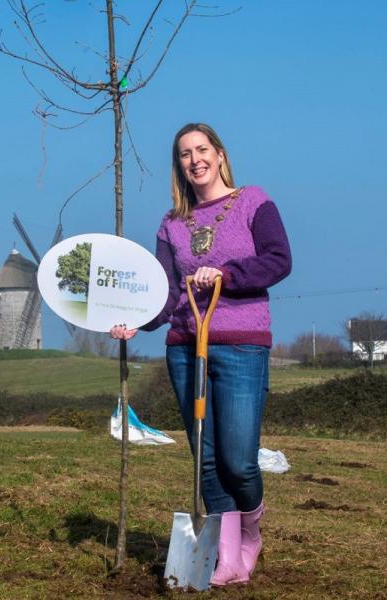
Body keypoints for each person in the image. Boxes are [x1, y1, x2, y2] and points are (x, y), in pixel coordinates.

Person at [110, 122, 291, 586]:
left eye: (202, 149)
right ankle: (227, 556)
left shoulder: (253, 200)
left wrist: (226, 275)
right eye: (185, 154)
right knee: (205, 461)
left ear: (219, 154)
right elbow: (168, 293)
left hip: (242, 345)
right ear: (180, 166)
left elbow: (278, 259)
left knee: (239, 460)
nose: (195, 160)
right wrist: (138, 323)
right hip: (186, 348)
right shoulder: (171, 224)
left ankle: (249, 533)